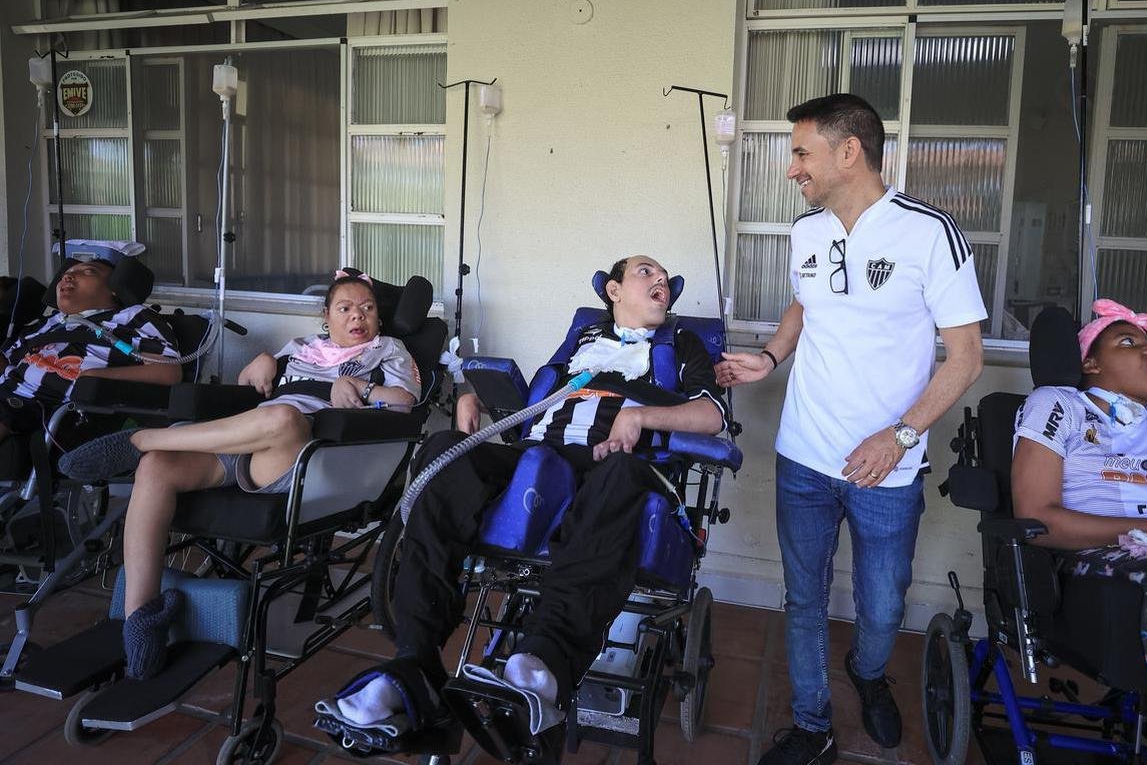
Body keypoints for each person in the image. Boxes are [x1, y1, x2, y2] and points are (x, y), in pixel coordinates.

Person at [317, 255, 727, 747]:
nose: (660, 279)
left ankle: (546, 663)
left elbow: (712, 415)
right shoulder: (583, 340)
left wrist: (641, 418)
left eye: (664, 277)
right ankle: (414, 662)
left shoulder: (681, 344)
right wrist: (474, 399)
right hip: (540, 456)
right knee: (443, 451)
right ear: (614, 291)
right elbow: (533, 405)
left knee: (620, 475)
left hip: (615, 465)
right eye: (646, 271)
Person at [716, 93, 986, 764]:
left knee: (884, 604)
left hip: (886, 468)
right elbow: (804, 304)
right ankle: (812, 725)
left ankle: (868, 673)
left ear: (848, 151)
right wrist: (770, 356)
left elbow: (966, 357)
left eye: (801, 153)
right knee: (804, 598)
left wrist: (899, 436)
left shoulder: (929, 232)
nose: (791, 169)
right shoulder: (807, 231)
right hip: (803, 455)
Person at [58, 270, 421, 680]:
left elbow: (405, 404)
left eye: (367, 308)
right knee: (157, 467)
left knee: (284, 417)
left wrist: (361, 389)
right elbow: (251, 384)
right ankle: (140, 622)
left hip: (304, 458)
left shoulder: (387, 349)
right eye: (346, 308)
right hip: (247, 435)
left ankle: (142, 438)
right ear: (326, 316)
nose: (358, 316)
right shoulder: (302, 348)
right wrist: (262, 361)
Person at [1011, 299, 1147, 764]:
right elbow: (1037, 520)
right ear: (1090, 364)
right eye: (1129, 342)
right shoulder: (1058, 405)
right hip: (1098, 551)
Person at [0, 240, 181, 445]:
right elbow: (9, 361)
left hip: (57, 409)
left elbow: (168, 371)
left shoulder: (131, 317)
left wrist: (93, 377)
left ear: (114, 289)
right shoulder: (51, 322)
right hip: (10, 391)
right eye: (65, 274)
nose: (67, 276)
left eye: (88, 272)